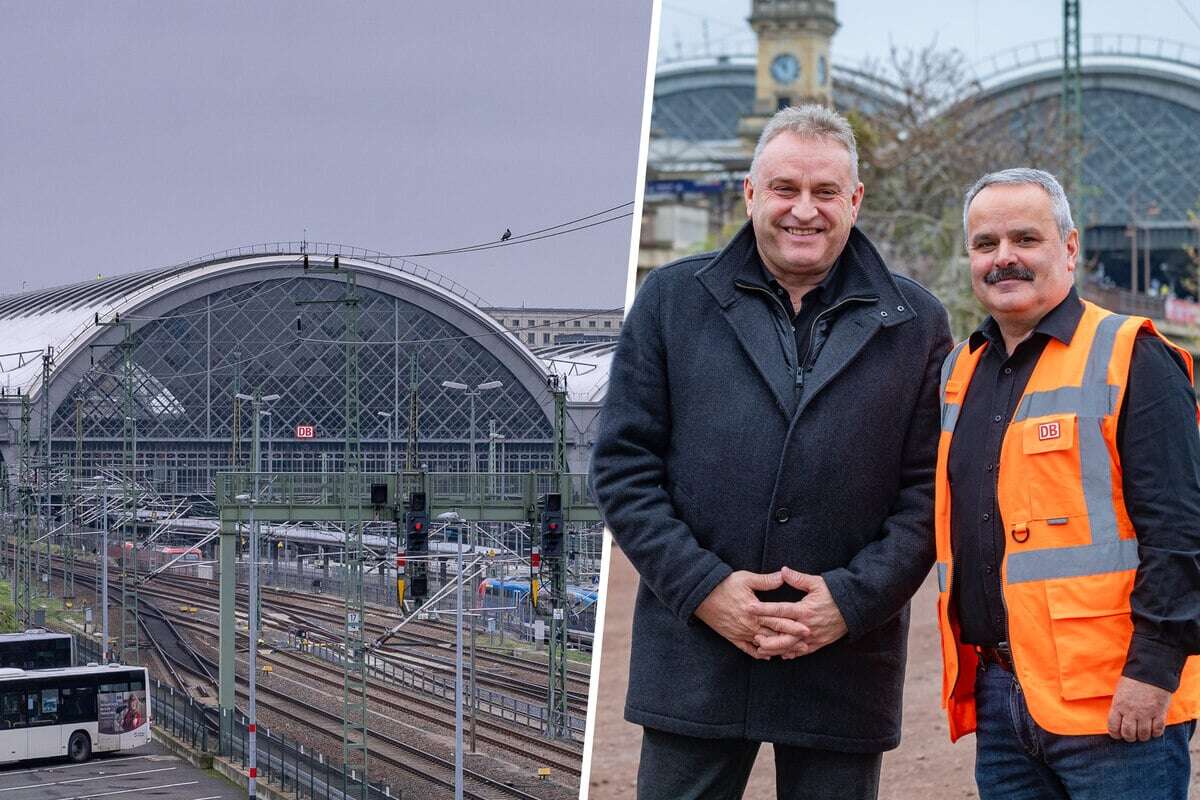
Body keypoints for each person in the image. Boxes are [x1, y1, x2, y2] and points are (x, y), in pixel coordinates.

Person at [591, 104, 952, 800]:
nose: (804, 212)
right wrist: (705, 590)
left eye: (824, 193)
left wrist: (848, 600)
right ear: (751, 193)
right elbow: (623, 469)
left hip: (843, 658)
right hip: (696, 650)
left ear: (855, 201)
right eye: (785, 189)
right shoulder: (672, 301)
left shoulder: (916, 322)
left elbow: (928, 491)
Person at [935, 167, 1200, 799]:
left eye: (1025, 239)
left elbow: (1183, 531)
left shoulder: (1130, 354)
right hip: (1002, 695)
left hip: (1116, 701)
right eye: (985, 244)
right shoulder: (962, 371)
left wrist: (1153, 674)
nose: (1004, 259)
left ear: (1071, 247)